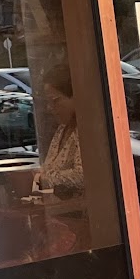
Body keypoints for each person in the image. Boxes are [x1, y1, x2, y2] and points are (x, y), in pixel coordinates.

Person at [32, 66, 83, 199]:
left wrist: (41, 178)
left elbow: (82, 175)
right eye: (48, 102)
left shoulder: (86, 131)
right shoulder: (62, 129)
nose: (50, 108)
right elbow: (49, 167)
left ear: (75, 97)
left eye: (55, 101)